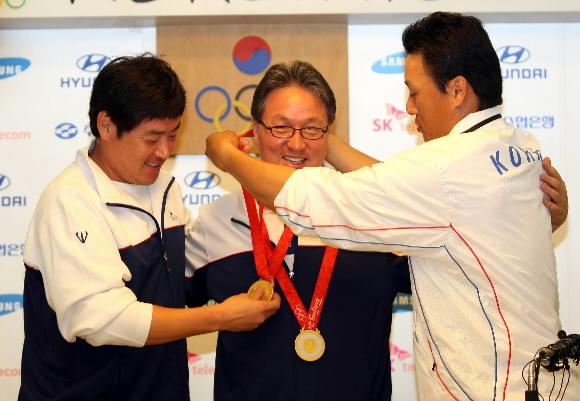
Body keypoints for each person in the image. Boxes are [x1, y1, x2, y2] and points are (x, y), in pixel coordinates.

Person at [205, 12, 575, 401]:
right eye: (280, 127)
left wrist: (228, 156)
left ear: (457, 90)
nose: (410, 108)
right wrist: (311, 134)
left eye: (414, 91)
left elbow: (306, 198)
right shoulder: (519, 144)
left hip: (494, 388)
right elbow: (409, 192)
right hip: (538, 381)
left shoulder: (443, 168)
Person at [19, 54, 280, 401]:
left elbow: (183, 276)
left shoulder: (165, 188)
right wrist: (219, 317)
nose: (164, 151)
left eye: (172, 136)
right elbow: (102, 319)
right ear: (107, 125)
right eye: (152, 137)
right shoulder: (70, 201)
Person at [189, 61, 411, 401]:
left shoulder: (368, 216)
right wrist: (216, 316)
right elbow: (160, 311)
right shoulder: (215, 221)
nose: (295, 145)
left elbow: (412, 203)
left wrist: (324, 143)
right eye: (281, 127)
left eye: (311, 129)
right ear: (255, 129)